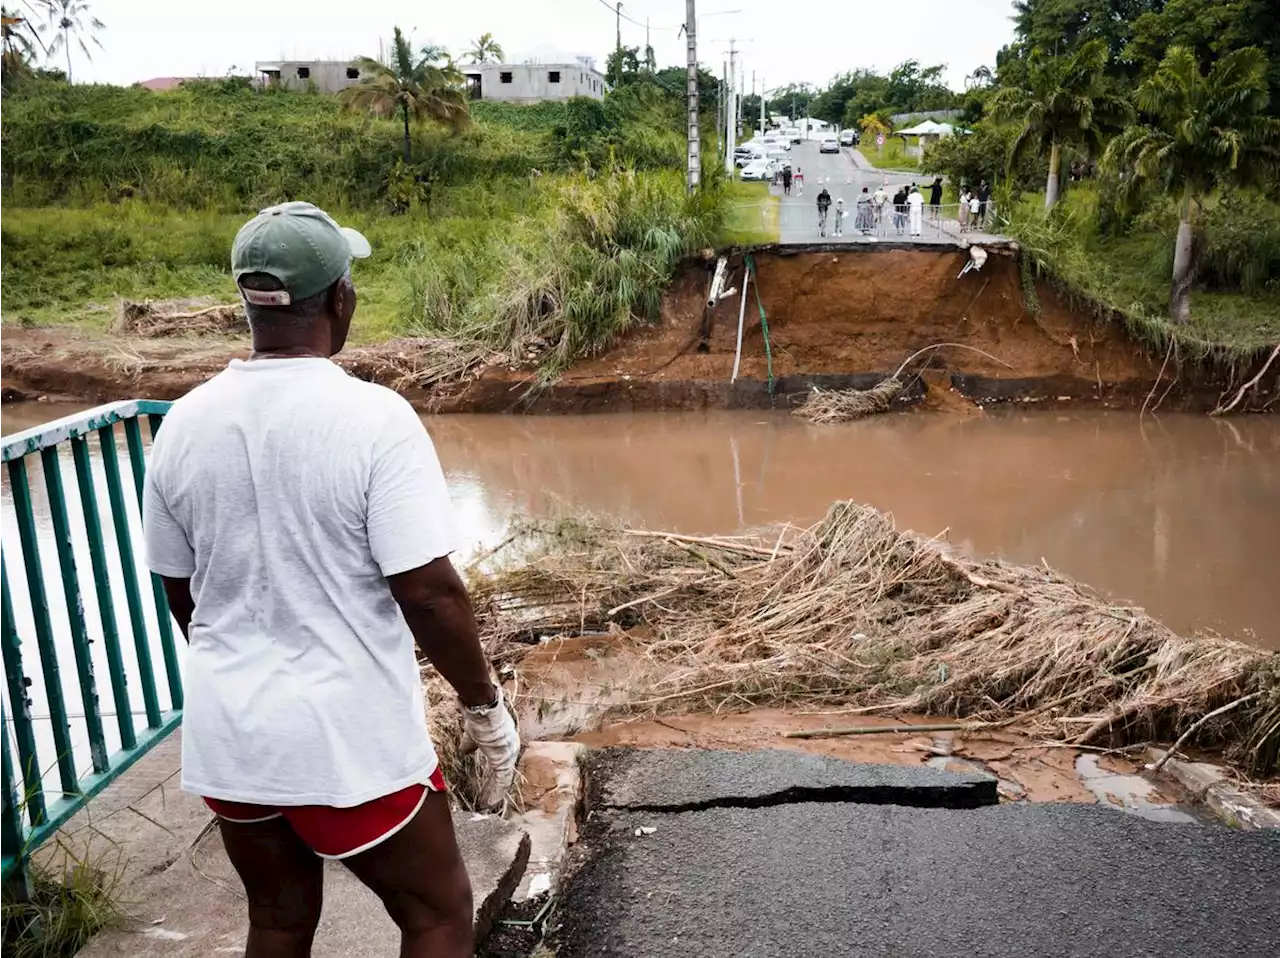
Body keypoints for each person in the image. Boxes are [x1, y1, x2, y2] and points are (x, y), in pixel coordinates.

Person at [143, 201, 522, 958]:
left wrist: (248, 666)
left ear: (248, 301)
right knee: (438, 913)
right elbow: (429, 592)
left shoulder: (184, 422)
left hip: (233, 737)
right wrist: (484, 706)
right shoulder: (375, 418)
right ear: (341, 299)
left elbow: (180, 590)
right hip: (347, 742)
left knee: (279, 919)